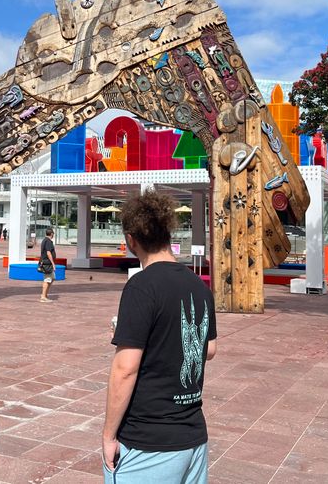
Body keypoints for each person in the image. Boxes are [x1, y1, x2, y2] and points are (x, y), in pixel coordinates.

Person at [102, 190, 217, 483]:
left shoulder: (141, 286)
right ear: (168, 232)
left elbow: (125, 369)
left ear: (131, 239)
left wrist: (108, 435)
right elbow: (210, 347)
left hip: (148, 440)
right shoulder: (198, 285)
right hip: (193, 436)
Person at [39, 228, 57, 303]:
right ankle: (43, 297)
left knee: (52, 278)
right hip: (47, 263)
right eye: (53, 234)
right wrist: (53, 264)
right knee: (47, 279)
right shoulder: (48, 241)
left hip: (46, 262)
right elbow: (48, 253)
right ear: (52, 234)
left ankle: (44, 295)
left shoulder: (44, 240)